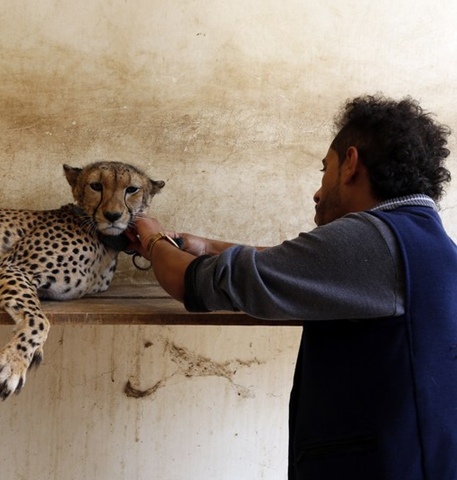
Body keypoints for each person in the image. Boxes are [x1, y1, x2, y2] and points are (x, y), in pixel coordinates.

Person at [127, 95, 457, 480]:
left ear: (350, 164)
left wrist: (152, 241)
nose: (318, 192)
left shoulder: (367, 239)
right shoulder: (423, 240)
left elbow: (194, 283)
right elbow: (295, 264)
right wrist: (208, 246)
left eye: (324, 170)